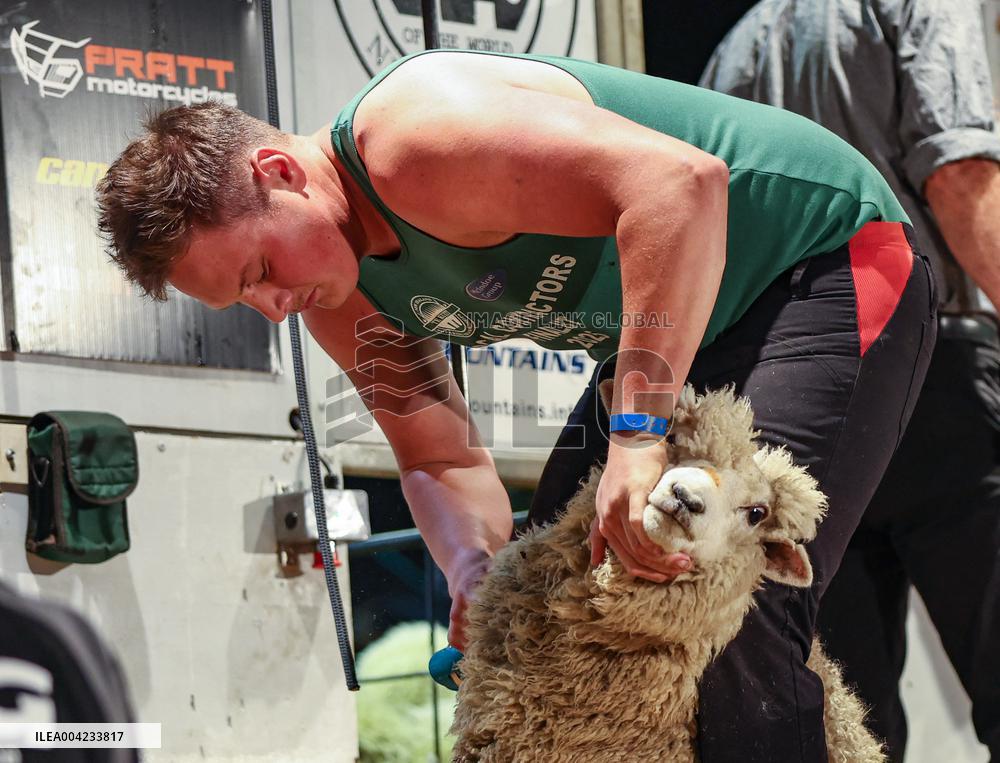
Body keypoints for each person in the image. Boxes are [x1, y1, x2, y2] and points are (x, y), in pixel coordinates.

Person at [96, 50, 936, 760]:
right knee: (549, 607)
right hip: (684, 326)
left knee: (722, 599)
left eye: (258, 272)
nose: (274, 306)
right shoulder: (333, 295)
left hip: (819, 260)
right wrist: (472, 571)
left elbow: (683, 186)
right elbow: (440, 456)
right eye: (245, 302)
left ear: (278, 174)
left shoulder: (413, 140)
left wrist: (637, 435)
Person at [701, 2, 1000, 759]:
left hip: (787, 402)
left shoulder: (735, 49)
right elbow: (959, 175)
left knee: (847, 715)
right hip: (931, 368)